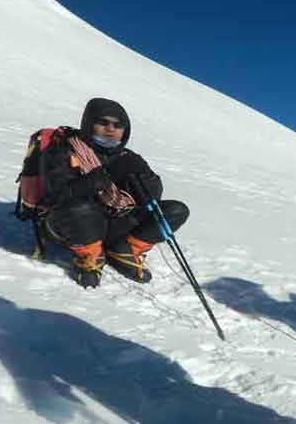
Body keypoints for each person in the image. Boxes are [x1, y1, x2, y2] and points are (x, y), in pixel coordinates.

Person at [38, 97, 189, 288]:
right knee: (81, 209)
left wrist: (147, 182)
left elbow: (151, 200)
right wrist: (97, 178)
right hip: (69, 224)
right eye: (103, 122)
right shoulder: (63, 151)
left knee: (175, 210)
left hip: (114, 221)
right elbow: (55, 197)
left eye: (118, 125)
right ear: (89, 123)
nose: (111, 129)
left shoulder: (128, 157)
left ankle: (124, 251)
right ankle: (91, 256)